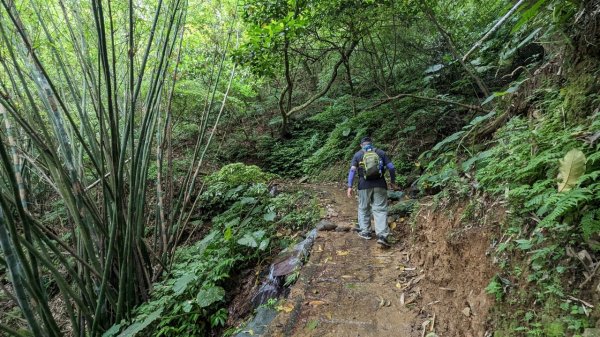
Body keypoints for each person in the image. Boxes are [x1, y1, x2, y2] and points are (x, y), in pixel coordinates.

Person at [346, 137, 397, 247]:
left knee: (364, 207)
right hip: (380, 184)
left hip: (363, 185)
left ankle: (366, 232)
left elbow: (352, 170)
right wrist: (392, 181)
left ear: (361, 145)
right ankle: (382, 236)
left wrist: (350, 186)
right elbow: (391, 168)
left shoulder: (358, 155)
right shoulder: (380, 152)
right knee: (380, 209)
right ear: (372, 144)